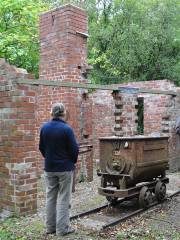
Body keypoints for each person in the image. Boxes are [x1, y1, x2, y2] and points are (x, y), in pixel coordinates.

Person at [39, 102, 79, 236]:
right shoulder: (66, 129)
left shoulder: (44, 128)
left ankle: (50, 228)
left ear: (52, 113)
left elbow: (42, 148)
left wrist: (49, 159)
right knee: (64, 198)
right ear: (64, 113)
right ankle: (62, 229)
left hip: (49, 168)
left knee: (50, 197)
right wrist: (71, 162)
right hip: (64, 169)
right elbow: (74, 149)